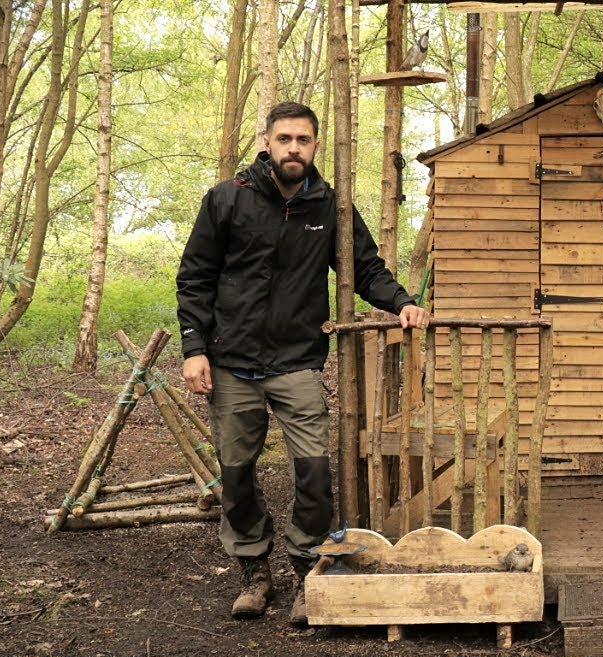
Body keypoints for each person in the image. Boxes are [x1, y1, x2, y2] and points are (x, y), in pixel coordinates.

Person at [176, 101, 430, 624]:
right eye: (285, 138)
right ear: (266, 142)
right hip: (232, 361)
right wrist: (194, 347)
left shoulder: (330, 208)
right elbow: (195, 276)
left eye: (304, 140)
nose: (294, 148)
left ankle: (305, 567)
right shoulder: (228, 199)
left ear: (316, 146)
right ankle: (254, 570)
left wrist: (401, 301)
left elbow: (364, 268)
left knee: (314, 472)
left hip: (297, 362)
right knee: (237, 473)